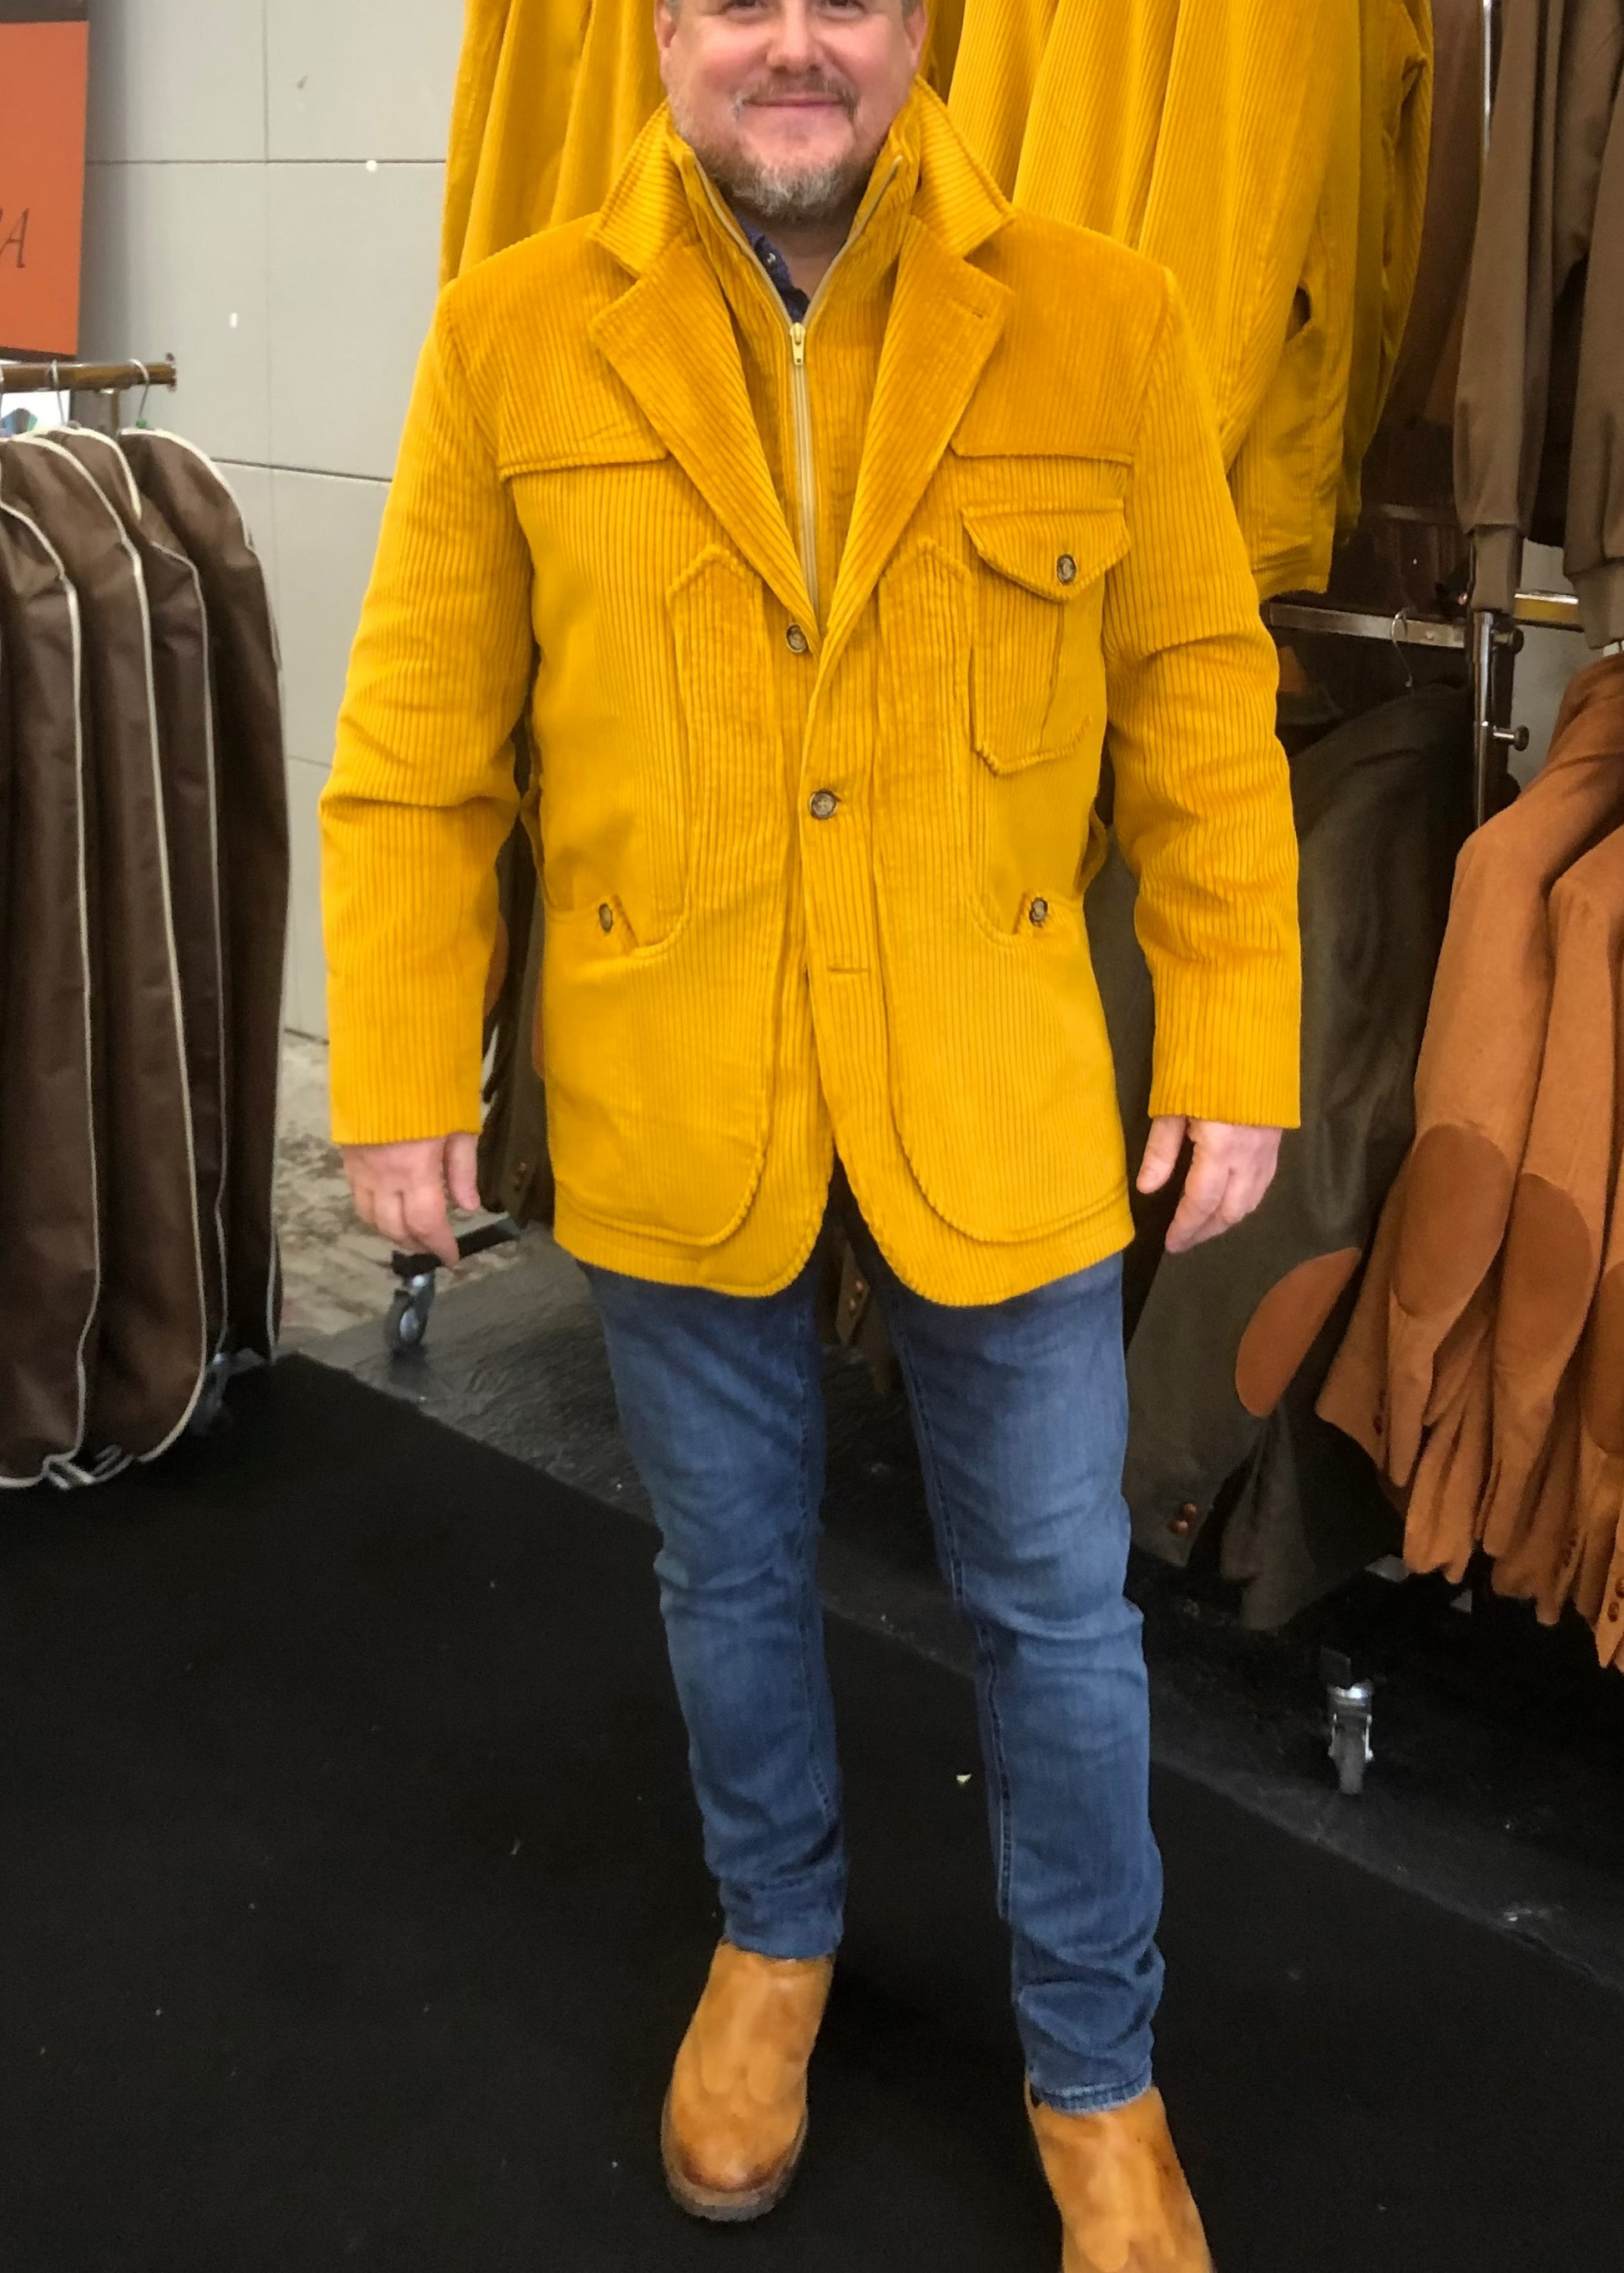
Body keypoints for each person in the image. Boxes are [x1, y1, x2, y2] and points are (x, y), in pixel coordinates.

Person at [321, 3, 1301, 2265]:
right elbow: (419, 741)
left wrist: (1238, 1026)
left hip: (994, 1082)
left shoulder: (1105, 318)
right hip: (678, 1083)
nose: (794, 45)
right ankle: (773, 1938)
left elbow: (1200, 696)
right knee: (729, 1569)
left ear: (920, 25)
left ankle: (1099, 2067)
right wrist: (400, 1068)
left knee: (1058, 1609)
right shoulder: (509, 336)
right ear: (663, 28)